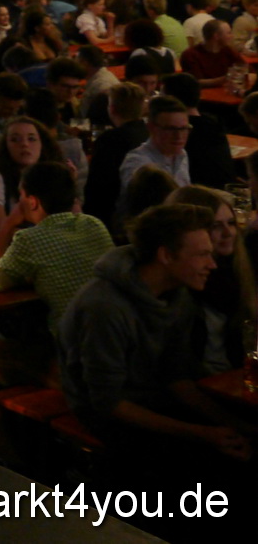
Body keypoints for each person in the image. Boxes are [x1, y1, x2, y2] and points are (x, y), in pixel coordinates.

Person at [57, 204, 256, 526]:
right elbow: (107, 403)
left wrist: (236, 425)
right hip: (108, 412)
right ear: (165, 256)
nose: (212, 264)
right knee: (206, 468)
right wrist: (204, 434)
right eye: (201, 255)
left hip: (152, 397)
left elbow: (176, 378)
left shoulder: (177, 296)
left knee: (243, 445)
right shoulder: (105, 306)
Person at [0, 160, 111, 335]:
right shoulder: (94, 224)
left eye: (21, 195)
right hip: (116, 334)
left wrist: (7, 224)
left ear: (32, 202)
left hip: (73, 345)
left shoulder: (30, 239)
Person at [166, 185, 256, 376]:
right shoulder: (181, 286)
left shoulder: (237, 270)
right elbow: (176, 373)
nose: (228, 233)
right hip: (207, 387)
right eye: (216, 226)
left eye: (231, 223)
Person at [0, 116, 61, 230]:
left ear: (42, 144)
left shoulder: (53, 177)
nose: (24, 144)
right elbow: (2, 229)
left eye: (31, 139)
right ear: (6, 146)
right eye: (15, 140)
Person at [118, 95, 193, 221]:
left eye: (184, 128)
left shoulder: (182, 155)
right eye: (170, 129)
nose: (179, 136)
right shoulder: (137, 162)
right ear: (151, 128)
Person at [86, 82, 150, 225]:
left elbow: (97, 187)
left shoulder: (110, 140)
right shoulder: (149, 134)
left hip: (117, 218)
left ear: (112, 109)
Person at [160, 72, 237, 192]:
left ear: (170, 100)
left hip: (201, 199)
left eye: (161, 96)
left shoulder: (176, 131)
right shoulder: (214, 123)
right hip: (227, 194)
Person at [182, 19, 242, 87]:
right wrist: (227, 79)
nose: (232, 36)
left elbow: (244, 68)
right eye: (229, 33)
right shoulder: (191, 54)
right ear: (216, 36)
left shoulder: (228, 51)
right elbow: (196, 82)